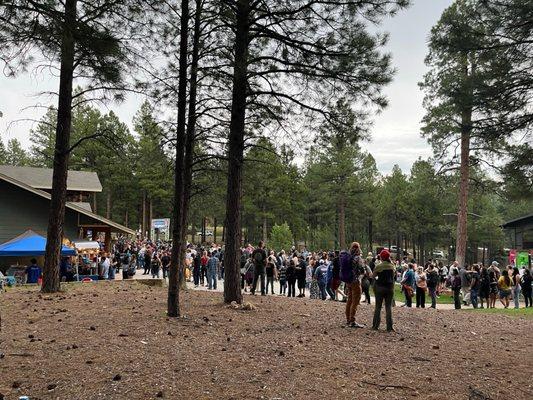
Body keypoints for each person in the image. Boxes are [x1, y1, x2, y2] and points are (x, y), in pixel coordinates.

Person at [372, 249, 395, 332]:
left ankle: (375, 325)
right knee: (388, 307)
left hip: (380, 288)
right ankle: (389, 326)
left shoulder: (379, 266)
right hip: (390, 288)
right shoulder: (392, 266)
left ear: (381, 257)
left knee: (378, 307)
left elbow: (373, 276)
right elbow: (393, 276)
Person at [344, 242, 364, 328]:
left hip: (348, 281)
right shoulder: (358, 258)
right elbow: (362, 270)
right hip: (355, 281)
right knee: (355, 301)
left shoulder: (348, 257)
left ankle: (348, 319)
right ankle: (352, 320)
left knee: (349, 300)